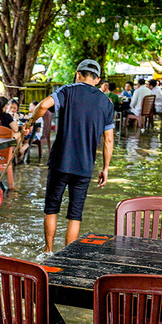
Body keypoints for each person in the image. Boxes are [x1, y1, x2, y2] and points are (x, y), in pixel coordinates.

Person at [27, 59, 114, 253]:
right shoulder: (106, 104)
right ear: (98, 80)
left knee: (51, 208)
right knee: (75, 214)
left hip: (60, 162)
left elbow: (43, 106)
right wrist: (105, 168)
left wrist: (31, 121)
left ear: (78, 74)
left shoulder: (68, 91)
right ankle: (66, 258)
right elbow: (108, 140)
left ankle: (48, 252)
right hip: (84, 166)